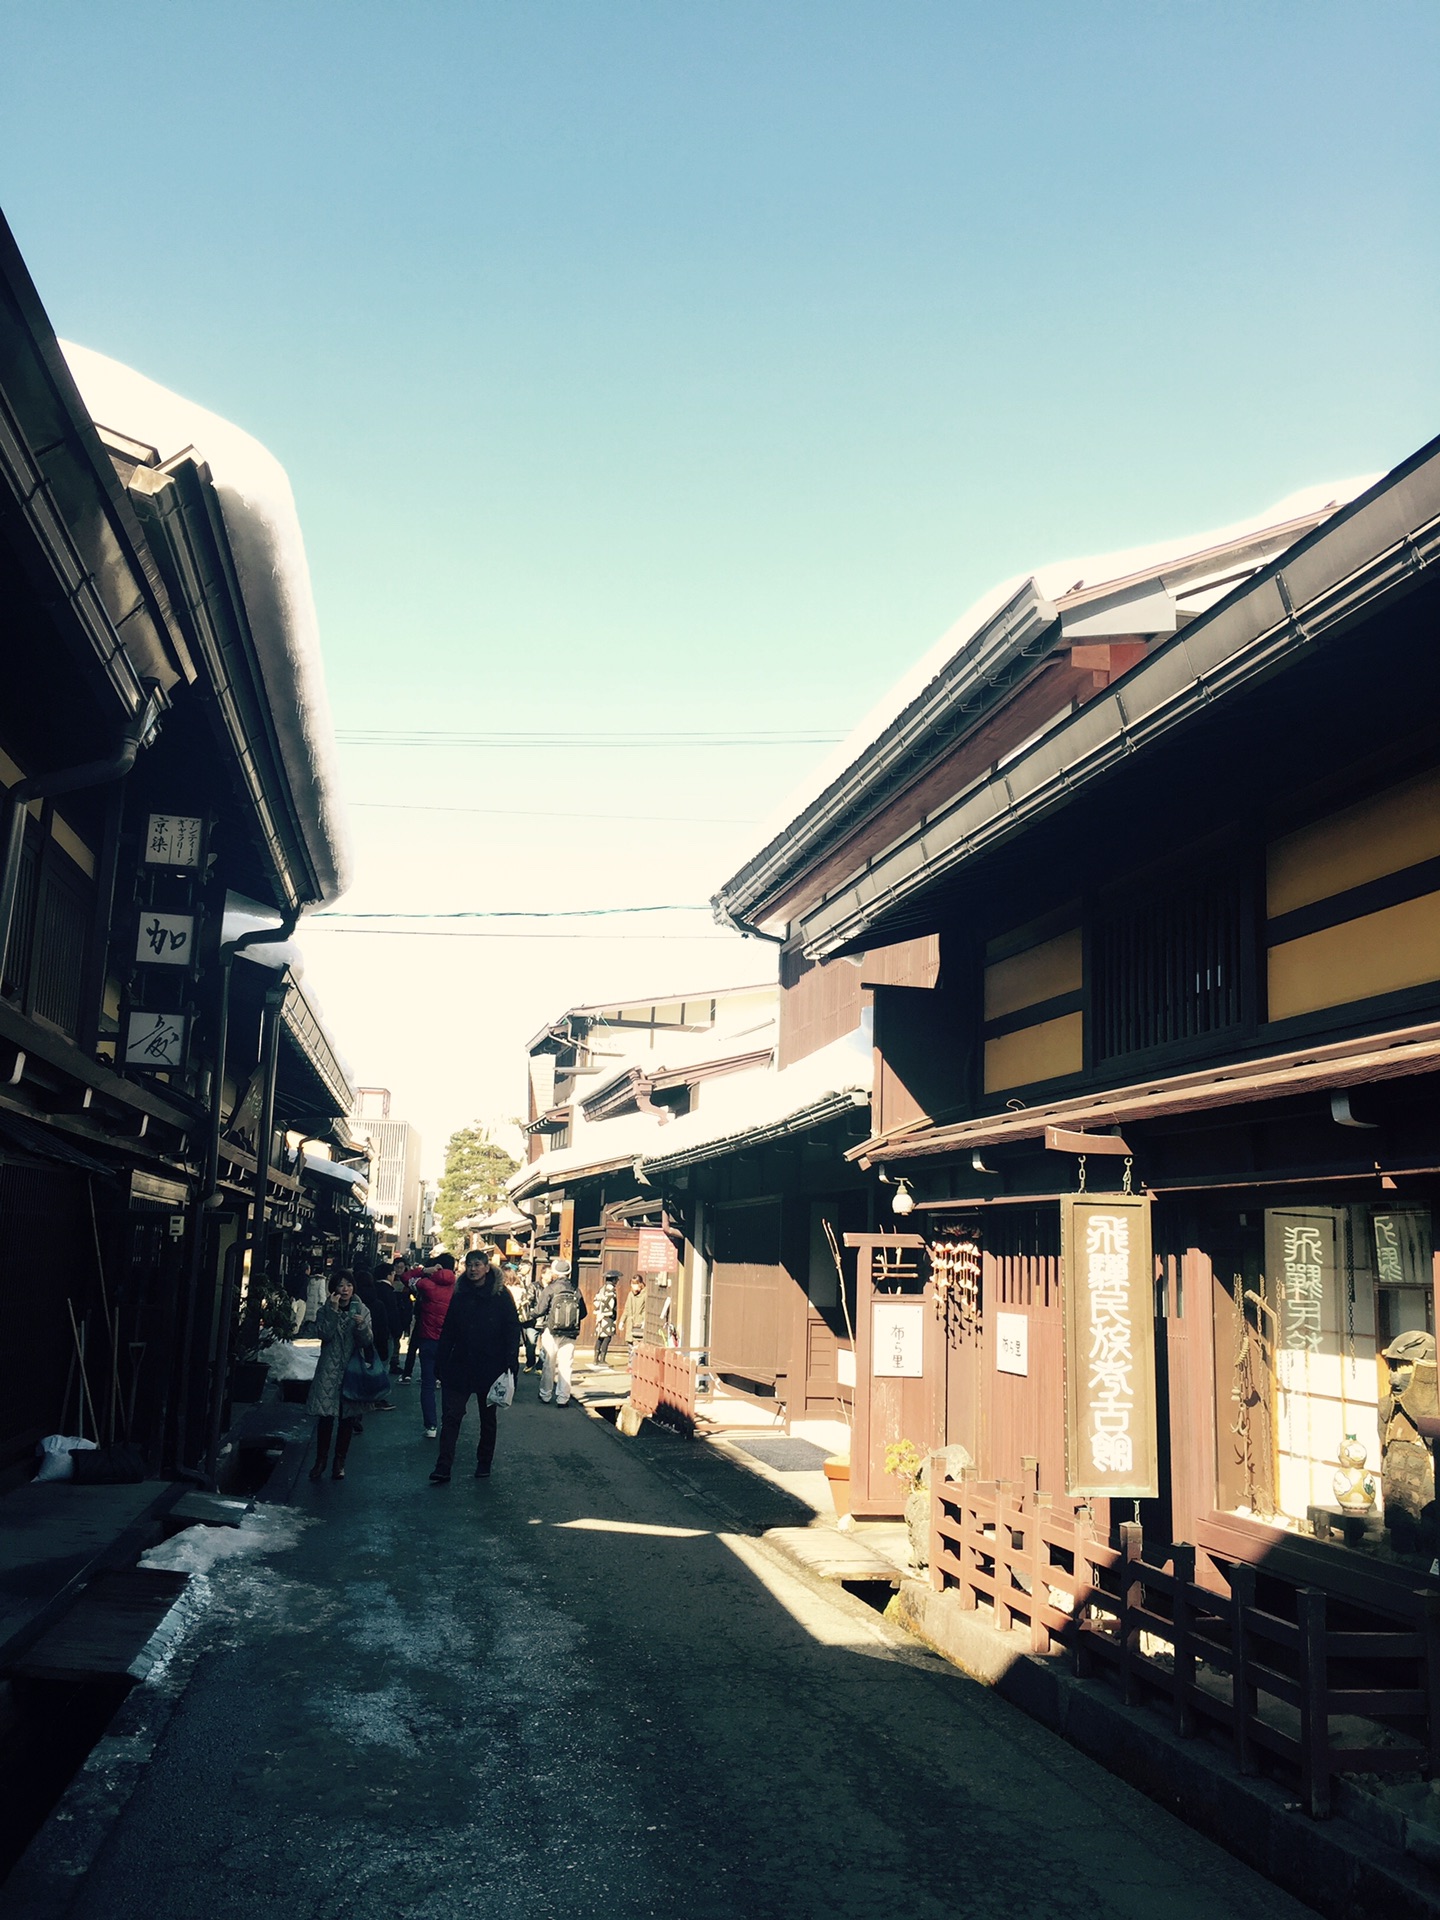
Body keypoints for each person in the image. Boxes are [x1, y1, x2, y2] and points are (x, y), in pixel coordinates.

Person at [429, 1249, 521, 1483]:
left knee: (487, 1418)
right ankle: (443, 1466)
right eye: (470, 1265)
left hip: (491, 1365)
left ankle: (484, 1462)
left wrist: (511, 1363)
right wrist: (440, 1361)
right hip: (460, 1364)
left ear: (487, 1267)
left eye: (478, 1264)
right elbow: (448, 1329)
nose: (473, 1269)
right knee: (451, 1416)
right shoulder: (460, 1293)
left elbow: (512, 1328)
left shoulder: (500, 1294)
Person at [306, 1273, 374, 1481]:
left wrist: (362, 1325)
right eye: (340, 1286)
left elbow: (367, 1341)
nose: (345, 1289)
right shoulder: (325, 1310)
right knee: (325, 1418)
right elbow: (324, 1335)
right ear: (333, 1289)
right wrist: (334, 1312)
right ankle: (321, 1461)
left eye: (348, 1285)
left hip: (351, 1369)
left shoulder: (363, 1310)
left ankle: (339, 1462)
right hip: (329, 1368)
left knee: (347, 1418)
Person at [412, 1252, 457, 1438]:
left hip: (428, 1340)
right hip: (449, 1342)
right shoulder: (459, 1288)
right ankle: (449, 1422)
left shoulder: (426, 1285)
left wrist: (425, 1270)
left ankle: (431, 1426)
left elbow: (406, 1277)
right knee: (449, 1385)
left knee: (428, 1385)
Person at [532, 1256, 586, 1406]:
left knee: (549, 1364)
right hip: (570, 1333)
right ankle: (563, 1398)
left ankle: (545, 1394)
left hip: (552, 1330)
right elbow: (583, 1313)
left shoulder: (550, 1288)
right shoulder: (576, 1289)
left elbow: (540, 1310)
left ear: (555, 1272)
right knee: (566, 1365)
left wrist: (529, 1316)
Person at [592, 1270, 620, 1368]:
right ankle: (602, 1358)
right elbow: (611, 1304)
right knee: (607, 1337)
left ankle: (596, 1358)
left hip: (600, 1315)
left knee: (600, 1336)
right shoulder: (611, 1290)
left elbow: (596, 1301)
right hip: (607, 1316)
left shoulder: (602, 1289)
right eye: (616, 1279)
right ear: (613, 1280)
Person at [620, 1274, 648, 1367]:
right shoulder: (630, 1294)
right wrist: (622, 1321)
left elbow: (645, 1310)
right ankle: (631, 1364)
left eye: (635, 1284)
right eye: (632, 1284)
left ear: (640, 1284)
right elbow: (627, 1309)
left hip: (639, 1324)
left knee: (637, 1346)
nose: (633, 1287)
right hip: (630, 1323)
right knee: (630, 1345)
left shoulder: (645, 1294)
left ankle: (635, 1365)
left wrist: (644, 1320)